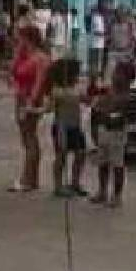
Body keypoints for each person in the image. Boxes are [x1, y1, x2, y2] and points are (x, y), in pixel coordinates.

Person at [9, 24, 50, 193]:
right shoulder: (26, 56)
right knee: (26, 139)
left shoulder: (40, 58)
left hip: (30, 100)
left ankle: (28, 178)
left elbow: (40, 82)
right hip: (20, 97)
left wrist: (31, 103)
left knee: (30, 138)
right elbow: (13, 70)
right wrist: (18, 54)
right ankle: (31, 177)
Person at [38, 57, 88, 198]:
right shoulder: (57, 90)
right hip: (62, 126)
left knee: (81, 154)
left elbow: (86, 99)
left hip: (76, 126)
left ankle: (75, 182)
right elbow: (49, 108)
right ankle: (58, 186)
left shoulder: (77, 87)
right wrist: (35, 110)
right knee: (61, 155)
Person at [90, 62, 136, 207]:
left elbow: (127, 117)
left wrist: (111, 116)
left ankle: (117, 196)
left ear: (128, 79)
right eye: (115, 72)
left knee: (117, 164)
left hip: (117, 133)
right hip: (103, 130)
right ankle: (102, 191)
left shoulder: (127, 97)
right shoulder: (107, 91)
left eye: (119, 74)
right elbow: (93, 96)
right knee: (102, 163)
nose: (115, 76)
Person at [89, 7, 107, 78]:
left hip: (99, 43)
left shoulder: (100, 18)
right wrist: (104, 34)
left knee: (97, 59)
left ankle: (96, 72)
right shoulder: (95, 18)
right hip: (95, 43)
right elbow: (96, 31)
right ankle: (94, 73)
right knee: (95, 60)